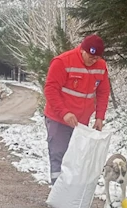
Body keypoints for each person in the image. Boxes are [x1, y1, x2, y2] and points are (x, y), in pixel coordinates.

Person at [43, 34, 110, 185]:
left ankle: (70, 192)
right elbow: (50, 90)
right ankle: (57, 193)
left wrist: (100, 117)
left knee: (75, 158)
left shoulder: (101, 66)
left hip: (81, 122)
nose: (93, 61)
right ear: (82, 50)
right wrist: (64, 112)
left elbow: (103, 92)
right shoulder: (62, 62)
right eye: (91, 57)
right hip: (58, 119)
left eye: (97, 58)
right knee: (58, 154)